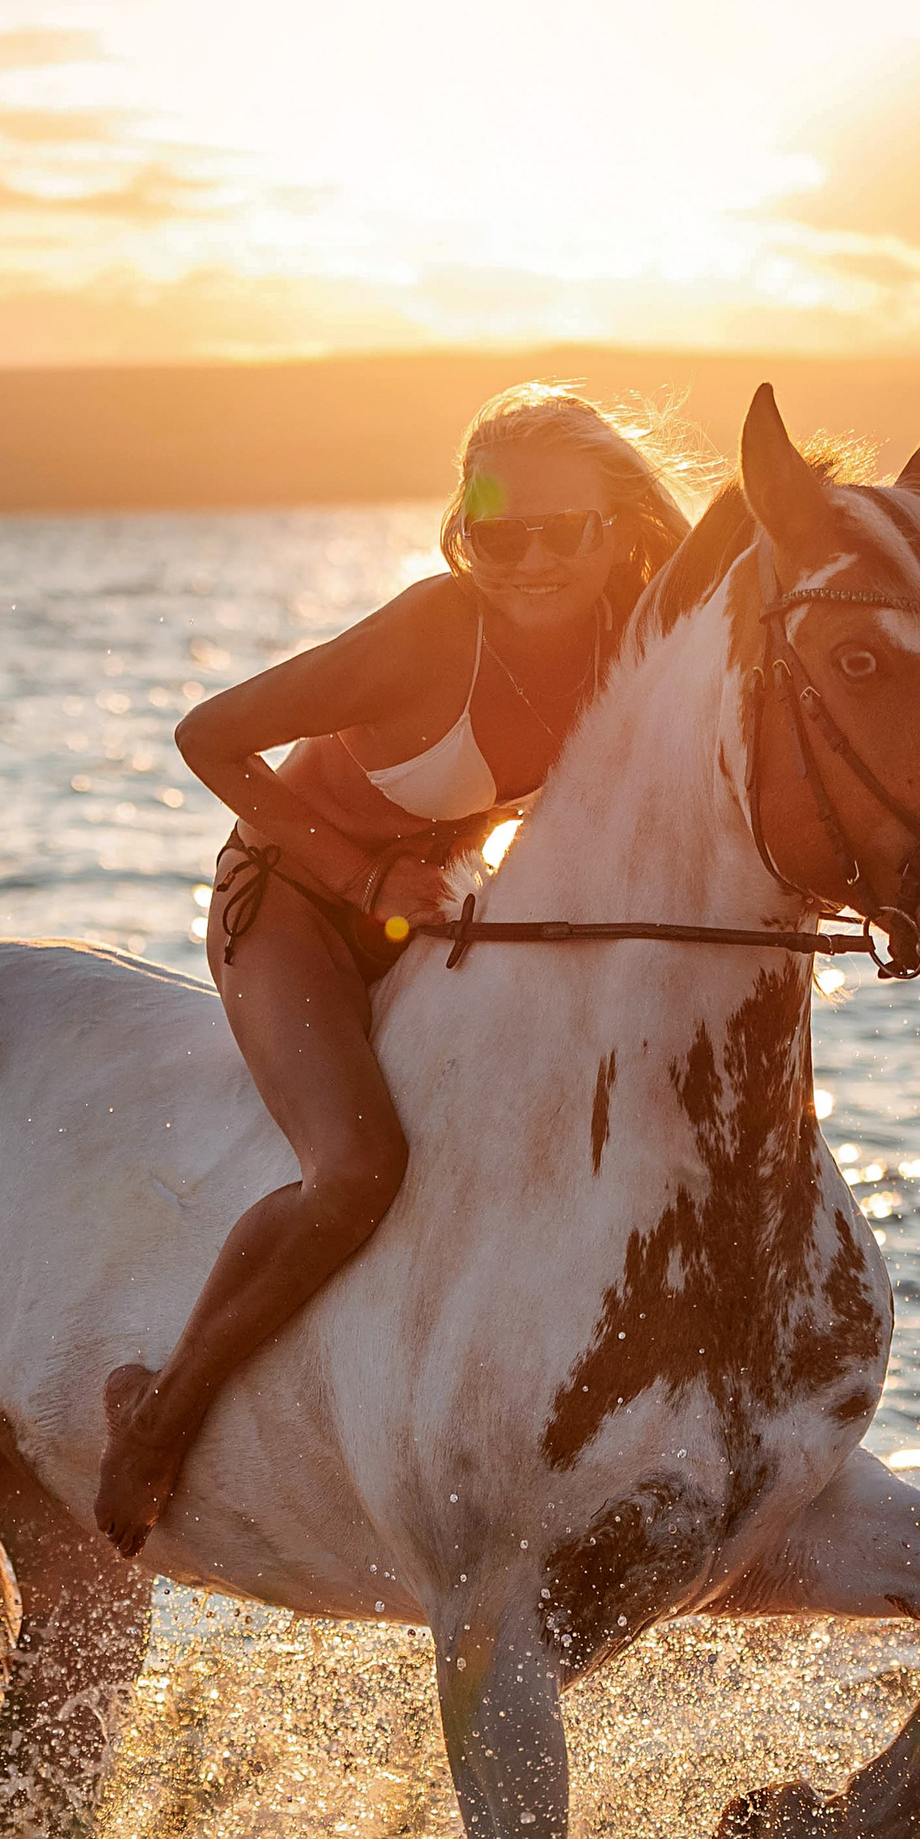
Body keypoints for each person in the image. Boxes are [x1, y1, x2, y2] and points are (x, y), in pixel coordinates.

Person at [94, 384, 708, 1554]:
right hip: (293, 901)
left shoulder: (641, 633)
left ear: (617, 524)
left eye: (559, 531)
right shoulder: (435, 630)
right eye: (495, 532)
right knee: (359, 1168)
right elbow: (209, 733)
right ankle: (157, 1415)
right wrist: (359, 877)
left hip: (434, 912)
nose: (524, 560)